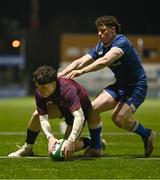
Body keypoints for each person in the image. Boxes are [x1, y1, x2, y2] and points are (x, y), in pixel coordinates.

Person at [59, 15, 155, 157]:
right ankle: (96, 148)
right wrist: (61, 74)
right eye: (98, 31)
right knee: (91, 109)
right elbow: (80, 61)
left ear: (113, 29)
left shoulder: (122, 42)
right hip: (120, 86)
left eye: (103, 30)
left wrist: (81, 72)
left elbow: (104, 61)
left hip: (136, 87)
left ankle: (146, 134)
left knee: (119, 119)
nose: (99, 34)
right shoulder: (100, 46)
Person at [8, 65, 105, 159]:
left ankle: (93, 142)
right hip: (61, 105)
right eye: (38, 87)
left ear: (54, 83)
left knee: (65, 149)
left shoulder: (67, 89)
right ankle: (27, 148)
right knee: (36, 115)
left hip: (80, 109)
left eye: (44, 88)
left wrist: (70, 141)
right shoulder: (39, 91)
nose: (40, 91)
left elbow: (79, 117)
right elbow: (43, 118)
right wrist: (50, 137)